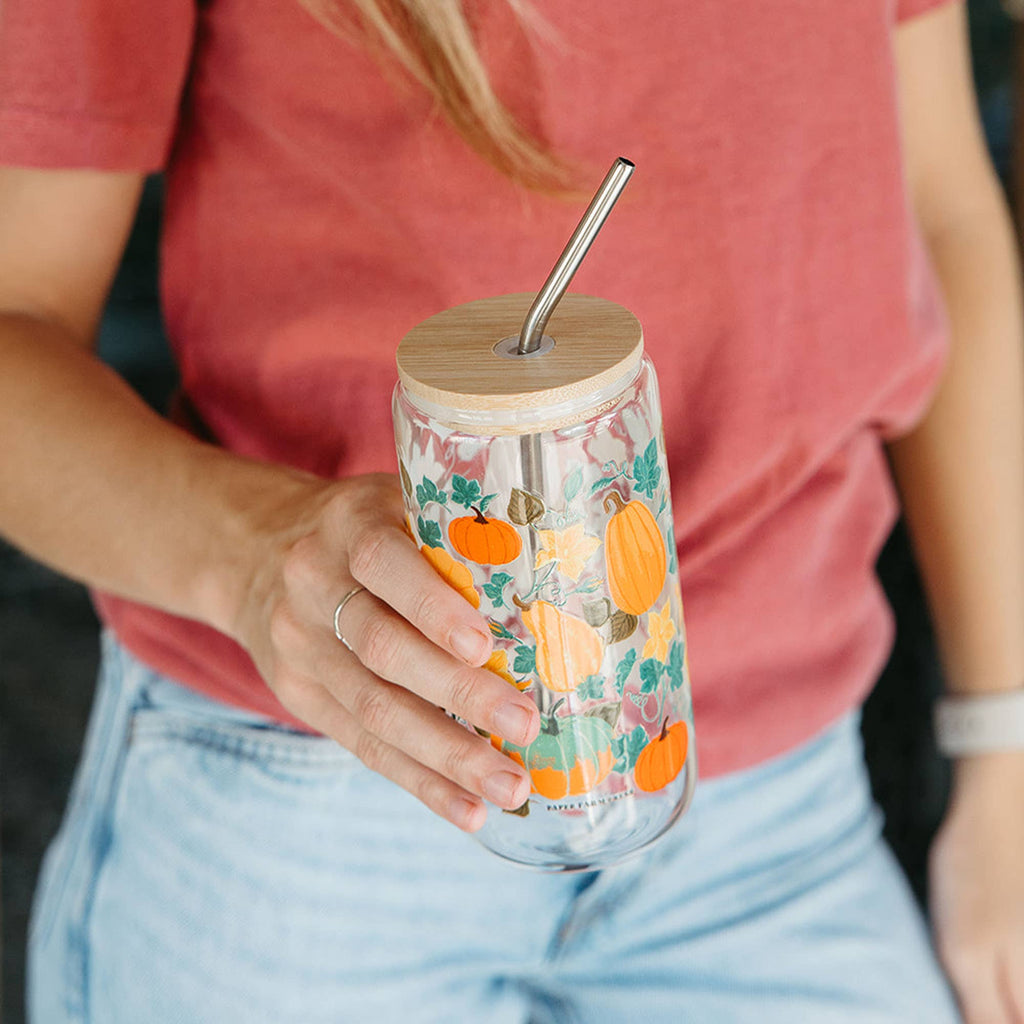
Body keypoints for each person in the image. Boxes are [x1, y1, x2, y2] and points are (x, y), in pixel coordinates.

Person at [1, 0, 1022, 1020]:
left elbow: (938, 212)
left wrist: (1005, 748)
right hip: (317, 796)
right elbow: (17, 326)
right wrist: (259, 557)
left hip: (777, 807)